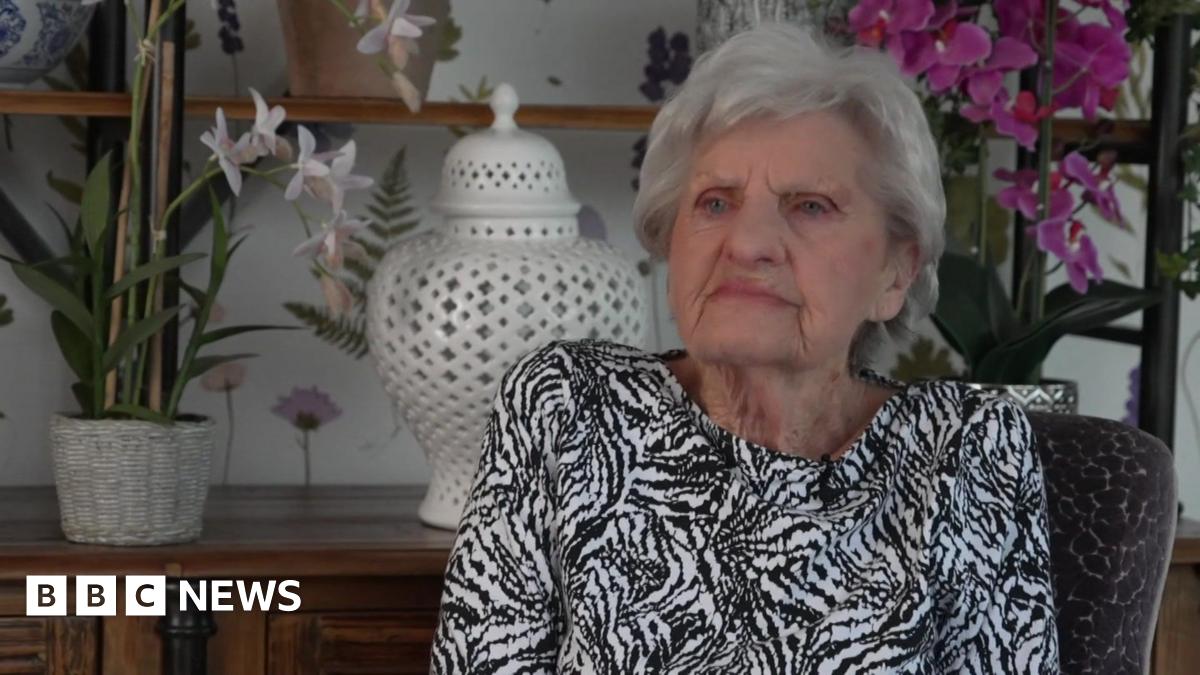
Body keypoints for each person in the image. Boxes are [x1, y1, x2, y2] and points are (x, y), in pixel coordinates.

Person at [429, 21, 1059, 674]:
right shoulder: (566, 406)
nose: (747, 242)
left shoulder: (966, 450)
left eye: (810, 206)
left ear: (895, 273)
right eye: (715, 201)